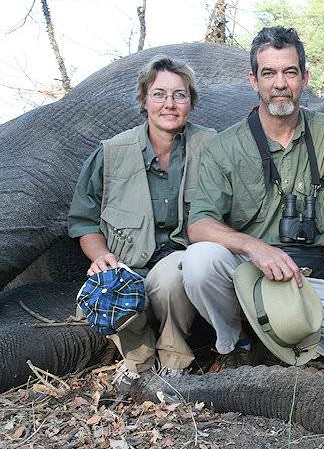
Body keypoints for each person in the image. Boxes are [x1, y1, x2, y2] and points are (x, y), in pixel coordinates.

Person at [182, 26, 324, 382]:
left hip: (310, 282)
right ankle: (238, 344)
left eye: (290, 72)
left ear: (304, 78)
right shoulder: (225, 146)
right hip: (249, 277)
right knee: (200, 260)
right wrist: (255, 247)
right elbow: (198, 225)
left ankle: (299, 337)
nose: (280, 83)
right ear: (253, 81)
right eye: (269, 73)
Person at [67, 56, 217, 391]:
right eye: (159, 94)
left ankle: (175, 356)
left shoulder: (212, 147)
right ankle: (138, 358)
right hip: (128, 266)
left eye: (179, 95)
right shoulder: (110, 153)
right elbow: (84, 222)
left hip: (180, 264)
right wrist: (101, 258)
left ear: (191, 102)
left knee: (174, 276)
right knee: (109, 288)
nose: (169, 104)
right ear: (144, 100)